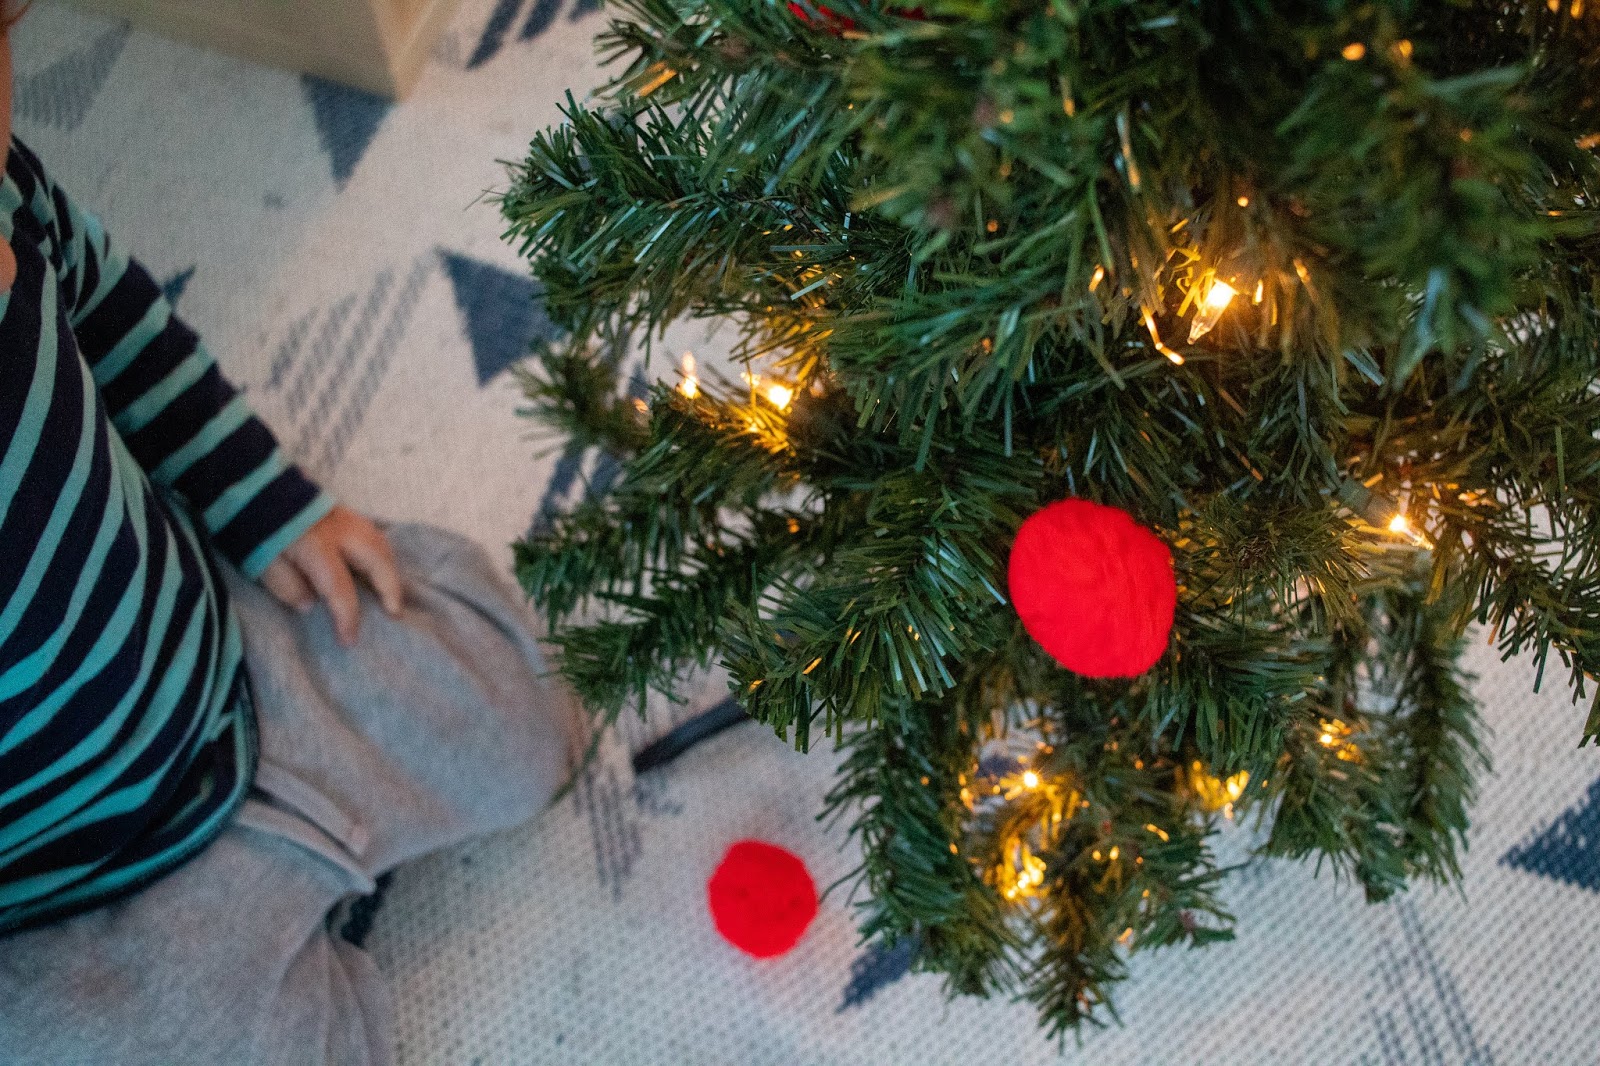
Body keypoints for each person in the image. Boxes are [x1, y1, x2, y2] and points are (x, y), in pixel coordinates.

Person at [0, 5, 578, 1062]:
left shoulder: (6, 193)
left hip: (233, 661)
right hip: (73, 897)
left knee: (526, 725)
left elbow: (117, 324)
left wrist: (270, 504)